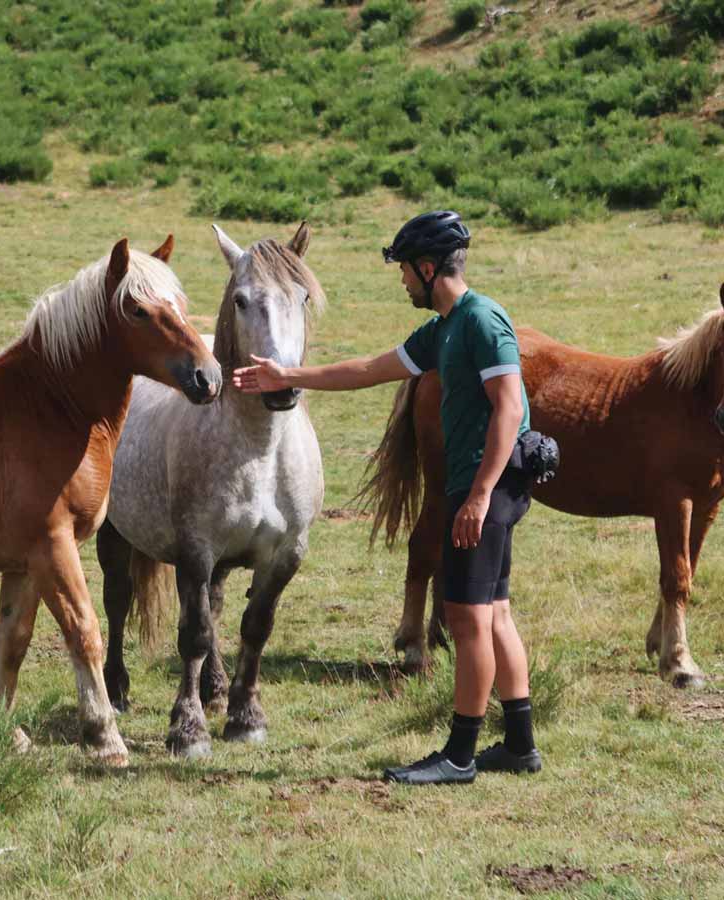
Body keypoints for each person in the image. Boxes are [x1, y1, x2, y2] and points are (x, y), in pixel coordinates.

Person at [231, 210, 542, 785]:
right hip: (483, 486)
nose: (401, 281)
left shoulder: (482, 321)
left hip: (487, 486)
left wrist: (477, 497)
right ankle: (519, 744)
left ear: (428, 268)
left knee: (467, 618)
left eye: (404, 270)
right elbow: (370, 369)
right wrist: (288, 376)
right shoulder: (444, 328)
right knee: (494, 613)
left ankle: (460, 756)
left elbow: (509, 409)